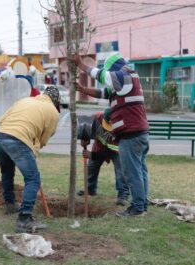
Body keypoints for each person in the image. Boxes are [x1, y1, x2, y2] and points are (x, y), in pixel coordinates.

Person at [73, 53, 150, 217]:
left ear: (114, 68)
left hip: (131, 134)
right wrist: (84, 89)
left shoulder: (124, 76)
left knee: (133, 172)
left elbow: (102, 76)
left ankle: (137, 208)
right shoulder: (125, 84)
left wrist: (81, 65)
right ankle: (142, 204)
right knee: (140, 170)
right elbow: (104, 93)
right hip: (139, 133)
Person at [0, 86, 60, 233]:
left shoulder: (25, 100)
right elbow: (44, 138)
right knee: (33, 179)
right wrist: (34, 147)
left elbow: (1, 119)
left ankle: (10, 204)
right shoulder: (53, 112)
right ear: (56, 101)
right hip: (17, 139)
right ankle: (24, 219)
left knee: (7, 172)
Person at [77, 109, 129, 206]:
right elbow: (85, 126)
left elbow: (108, 152)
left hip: (116, 149)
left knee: (120, 170)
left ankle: (123, 194)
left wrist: (91, 155)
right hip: (100, 144)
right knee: (91, 167)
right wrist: (84, 138)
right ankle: (90, 189)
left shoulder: (120, 129)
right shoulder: (97, 117)